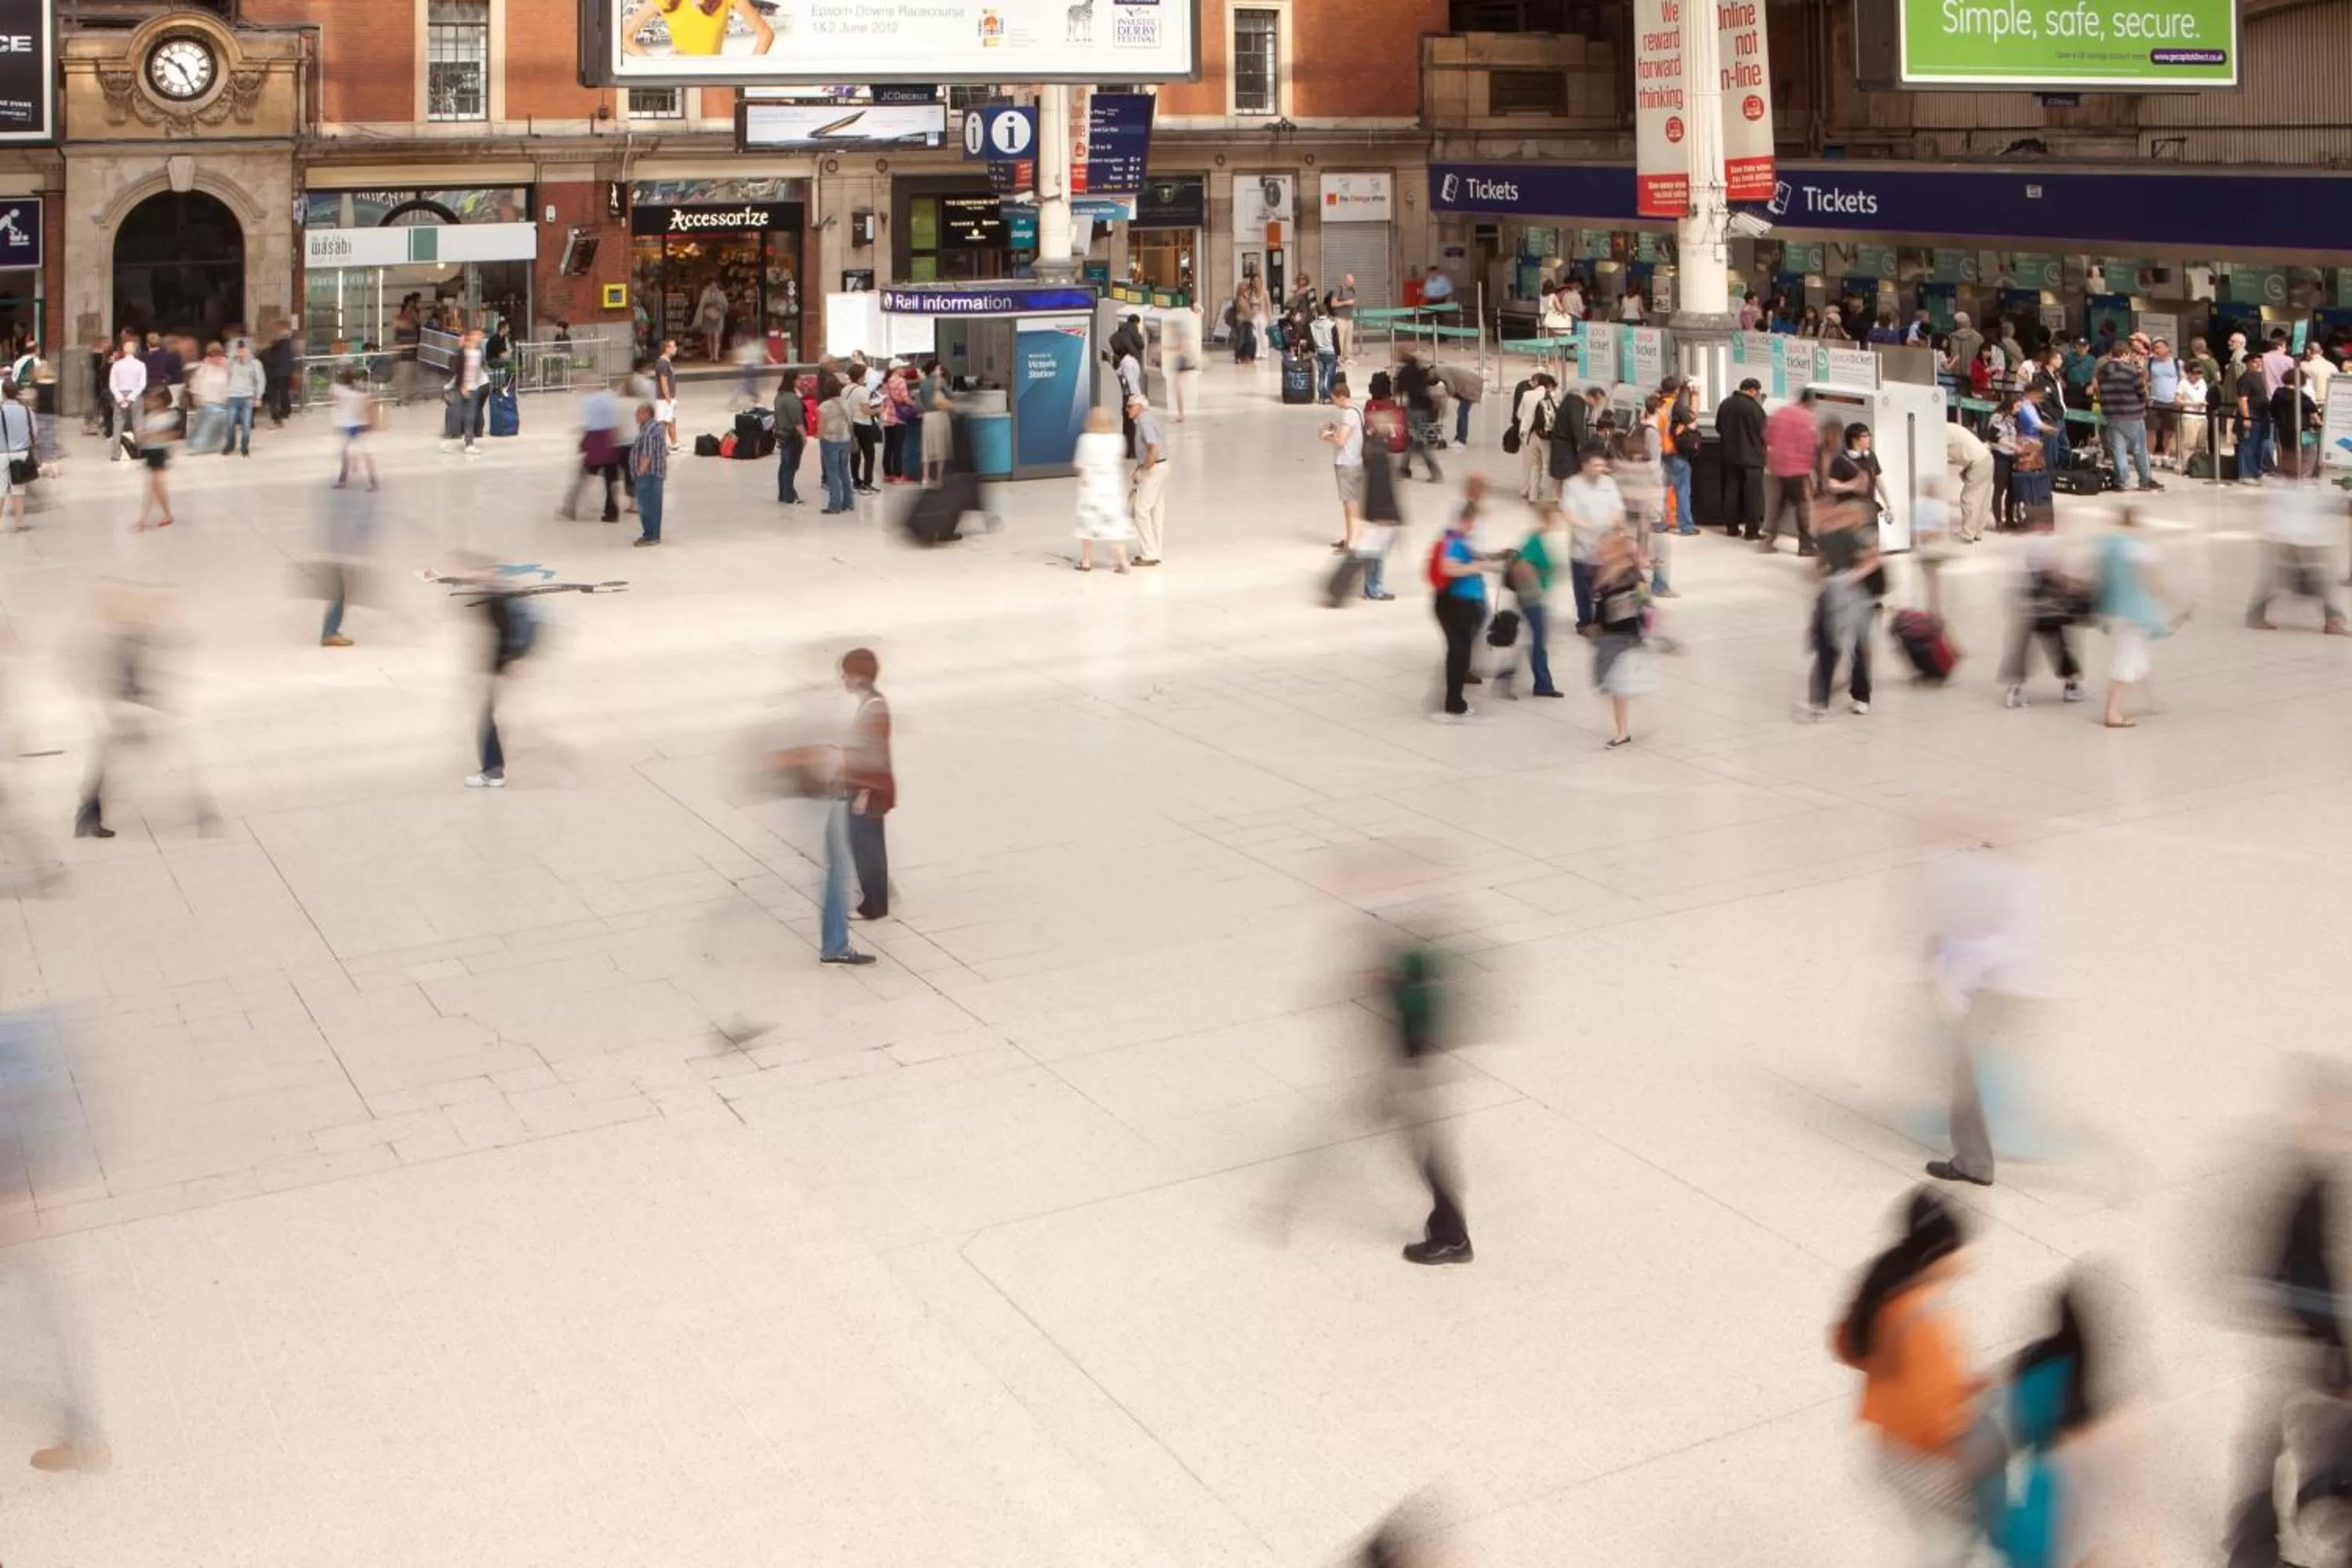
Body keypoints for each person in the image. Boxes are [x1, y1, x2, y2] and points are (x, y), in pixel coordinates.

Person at [1832, 1189, 2006, 1563]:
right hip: (1921, 1459)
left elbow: (1848, 1345)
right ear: (1938, 1253)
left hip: (1887, 1446)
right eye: (1961, 1249)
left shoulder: (1888, 1288)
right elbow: (1933, 1413)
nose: (1968, 1257)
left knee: (1935, 1542)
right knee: (1950, 1544)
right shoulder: (1925, 1316)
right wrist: (1963, 1455)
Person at [1800, 474, 1882, 720]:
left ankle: (1861, 696)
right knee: (1828, 645)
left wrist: (1851, 577)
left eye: (1817, 507)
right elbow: (1822, 560)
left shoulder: (1853, 523)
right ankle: (1820, 700)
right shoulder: (1822, 531)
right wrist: (1817, 578)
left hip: (1859, 595)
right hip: (1833, 593)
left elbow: (1873, 559)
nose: (1814, 513)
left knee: (1858, 646)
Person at [2094, 508, 2178, 729]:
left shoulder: (2109, 546)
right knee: (2126, 660)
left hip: (2115, 610)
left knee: (2139, 657)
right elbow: (2155, 581)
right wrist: (2176, 603)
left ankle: (2153, 701)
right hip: (2134, 614)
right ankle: (2112, 713)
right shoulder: (2138, 548)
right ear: (2136, 524)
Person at [2246, 475, 2348, 635]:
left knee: (2313, 578)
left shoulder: (2308, 487)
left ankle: (2332, 619)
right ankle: (2332, 620)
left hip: (2298, 542)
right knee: (2315, 579)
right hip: (2290, 543)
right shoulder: (2284, 489)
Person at [837, 648, 895, 926]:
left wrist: (863, 793)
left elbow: (873, 755)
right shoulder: (871, 704)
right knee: (869, 842)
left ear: (858, 677)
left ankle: (874, 904)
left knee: (865, 844)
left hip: (867, 790)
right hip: (865, 786)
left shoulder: (874, 709)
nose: (843, 679)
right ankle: (881, 891)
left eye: (846, 674)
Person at [1430, 493, 1489, 719]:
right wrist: (1475, 567)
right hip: (1458, 605)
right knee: (1459, 653)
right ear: (1467, 519)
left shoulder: (1458, 540)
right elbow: (1449, 568)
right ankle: (1454, 702)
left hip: (1459, 604)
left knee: (1459, 652)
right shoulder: (1455, 541)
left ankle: (1454, 699)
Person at [1493, 502, 1561, 699]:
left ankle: (1541, 683)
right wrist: (1535, 585)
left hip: (1531, 597)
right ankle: (1536, 683)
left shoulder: (1539, 538)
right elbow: (1522, 566)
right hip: (1531, 598)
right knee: (1534, 641)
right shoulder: (1535, 540)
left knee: (1532, 640)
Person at [1558, 442, 1624, 632]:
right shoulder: (1572, 485)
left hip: (1606, 548)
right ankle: (1585, 622)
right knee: (1583, 589)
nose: (1600, 469)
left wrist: (1617, 525)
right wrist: (1588, 527)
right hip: (1582, 548)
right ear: (1585, 465)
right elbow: (1569, 513)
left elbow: (1618, 508)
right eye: (1596, 465)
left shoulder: (1609, 483)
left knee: (1605, 587)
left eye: (1602, 465)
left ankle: (1603, 621)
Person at [1070, 405, 1136, 574]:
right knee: (1115, 526)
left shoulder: (1086, 440)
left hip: (1091, 488)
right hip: (1112, 487)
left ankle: (1086, 562)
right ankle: (1123, 561)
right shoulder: (1118, 439)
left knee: (1088, 525)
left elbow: (1079, 465)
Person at [1613, 416, 1671, 597]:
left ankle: (1645, 589)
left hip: (1634, 520)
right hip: (1638, 520)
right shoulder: (1649, 469)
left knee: (1647, 555)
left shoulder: (1620, 469)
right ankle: (1654, 588)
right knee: (1653, 553)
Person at [562, 377, 630, 522]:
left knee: (583, 475)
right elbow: (617, 423)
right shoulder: (612, 398)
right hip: (610, 441)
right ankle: (612, 512)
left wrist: (582, 443)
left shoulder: (589, 401)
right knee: (611, 480)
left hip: (594, 441)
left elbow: (586, 424)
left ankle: (570, 507)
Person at [2095, 337, 2158, 492]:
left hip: (2112, 415)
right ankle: (2145, 480)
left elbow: (2099, 392)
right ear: (2124, 354)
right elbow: (2142, 393)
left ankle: (2122, 481)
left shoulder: (2102, 372)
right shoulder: (2131, 371)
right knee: (2139, 450)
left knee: (2118, 450)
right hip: (2133, 415)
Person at [1714, 377, 1769, 543]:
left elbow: (1718, 427)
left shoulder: (1725, 404)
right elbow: (1765, 433)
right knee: (1753, 496)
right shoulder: (1755, 409)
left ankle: (1731, 527)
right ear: (1752, 390)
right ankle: (1752, 531)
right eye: (1757, 393)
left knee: (1731, 491)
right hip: (1752, 459)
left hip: (1729, 457)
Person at [1322, 373, 1367, 556]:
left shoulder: (1348, 414)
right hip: (1356, 461)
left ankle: (1352, 542)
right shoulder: (1358, 410)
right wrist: (1336, 429)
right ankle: (1351, 537)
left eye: (1334, 399)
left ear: (1341, 396)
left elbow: (1341, 441)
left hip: (1347, 463)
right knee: (1352, 504)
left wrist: (1326, 437)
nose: (1335, 403)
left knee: (1349, 506)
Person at [1127, 392, 1167, 568]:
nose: (1127, 409)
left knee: (1141, 509)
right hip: (1162, 466)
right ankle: (1155, 550)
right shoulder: (1149, 419)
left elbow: (1154, 446)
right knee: (1156, 510)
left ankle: (1149, 553)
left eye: (1130, 406)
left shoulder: (1144, 421)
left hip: (1154, 468)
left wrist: (1143, 469)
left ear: (1140, 407)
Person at [1944, 418, 1993, 546]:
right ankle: (1977, 532)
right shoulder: (1950, 427)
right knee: (1982, 499)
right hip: (1985, 457)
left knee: (1969, 498)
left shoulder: (1943, 432)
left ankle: (1967, 534)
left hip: (1978, 462)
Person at [1396, 351, 1442, 484]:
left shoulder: (1405, 371)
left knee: (1418, 441)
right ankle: (1404, 468)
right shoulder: (1419, 368)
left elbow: (1398, 389)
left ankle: (1435, 472)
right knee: (1412, 439)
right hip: (1426, 407)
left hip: (1415, 409)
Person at [134, 387, 176, 532]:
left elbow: (170, 435)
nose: (147, 403)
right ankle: (164, 514)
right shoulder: (150, 416)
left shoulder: (169, 416)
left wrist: (151, 435)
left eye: (150, 400)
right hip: (150, 452)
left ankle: (143, 518)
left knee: (154, 487)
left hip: (159, 453)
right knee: (155, 488)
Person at [328, 368, 377, 491]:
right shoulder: (360, 394)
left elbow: (333, 400)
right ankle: (372, 480)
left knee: (345, 452)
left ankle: (343, 480)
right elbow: (369, 403)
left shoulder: (339, 390)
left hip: (349, 425)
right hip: (360, 424)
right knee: (363, 452)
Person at [1662, 379, 1699, 536]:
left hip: (1660, 452)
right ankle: (1686, 526)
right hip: (1675, 451)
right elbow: (1692, 423)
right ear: (1676, 391)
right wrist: (1694, 395)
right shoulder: (1675, 406)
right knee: (1683, 490)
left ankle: (1662, 522)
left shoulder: (1656, 404)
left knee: (1664, 490)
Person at [1512, 372, 1555, 504]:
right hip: (1545, 436)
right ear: (1549, 385)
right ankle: (1550, 496)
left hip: (1528, 435)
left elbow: (1519, 415)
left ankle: (1532, 495)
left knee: (1534, 465)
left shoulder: (1527, 395)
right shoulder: (1551, 396)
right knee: (1548, 465)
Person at [628, 401, 666, 547]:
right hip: (652, 474)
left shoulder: (649, 430)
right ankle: (653, 534)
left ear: (646, 414)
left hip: (648, 475)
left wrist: (640, 471)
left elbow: (647, 453)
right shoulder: (650, 428)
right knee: (653, 505)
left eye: (638, 413)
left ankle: (650, 535)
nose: (636, 416)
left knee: (647, 506)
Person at [815, 368, 854, 514]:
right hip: (845, 439)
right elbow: (851, 421)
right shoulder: (846, 403)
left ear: (826, 390)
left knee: (832, 473)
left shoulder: (824, 406)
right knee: (844, 471)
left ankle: (835, 505)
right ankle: (848, 502)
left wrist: (818, 437)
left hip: (830, 441)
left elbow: (821, 427)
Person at [2271, 365, 2318, 482]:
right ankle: (2304, 476)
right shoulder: (2302, 397)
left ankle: (2289, 477)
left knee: (2287, 453)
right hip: (2304, 430)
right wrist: (2319, 423)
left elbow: (2272, 411)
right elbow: (2314, 414)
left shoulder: (2278, 393)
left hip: (2284, 430)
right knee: (2312, 450)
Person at [107, 334, 147, 463]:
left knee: (118, 424)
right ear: (135, 350)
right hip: (136, 396)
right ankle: (139, 451)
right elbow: (142, 384)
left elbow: (112, 384)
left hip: (120, 394)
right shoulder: (141, 365)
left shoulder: (117, 365)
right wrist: (131, 397)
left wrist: (120, 398)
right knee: (138, 424)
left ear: (123, 350)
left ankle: (116, 453)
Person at [771, 369, 808, 506]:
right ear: (793, 381)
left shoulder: (780, 396)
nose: (802, 381)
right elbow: (797, 421)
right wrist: (804, 436)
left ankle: (783, 494)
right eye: (799, 379)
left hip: (782, 434)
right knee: (791, 466)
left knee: (784, 465)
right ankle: (790, 496)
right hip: (792, 435)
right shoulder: (791, 399)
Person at [2238, 349, 2273, 483]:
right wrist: (2246, 418)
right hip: (2252, 415)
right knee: (2249, 445)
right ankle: (2246, 474)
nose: (2258, 364)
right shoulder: (2246, 379)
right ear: (2247, 364)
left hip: (2262, 415)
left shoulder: (2259, 377)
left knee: (2260, 445)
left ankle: (2257, 471)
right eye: (2254, 362)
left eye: (2259, 361)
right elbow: (2243, 399)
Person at [2146, 338, 2181, 471]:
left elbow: (2182, 380)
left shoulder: (2177, 363)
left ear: (2167, 348)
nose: (2157, 350)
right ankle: (2150, 455)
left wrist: (2179, 398)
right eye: (2155, 348)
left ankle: (2166, 456)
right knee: (2151, 430)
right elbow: (2145, 380)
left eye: (2159, 347)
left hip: (2171, 401)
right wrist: (2147, 395)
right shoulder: (2150, 363)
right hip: (2155, 400)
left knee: (2169, 431)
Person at [847, 359, 882, 492]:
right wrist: (879, 409)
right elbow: (866, 411)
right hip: (864, 424)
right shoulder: (862, 391)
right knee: (869, 454)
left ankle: (856, 481)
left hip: (851, 424)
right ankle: (867, 482)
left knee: (855, 454)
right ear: (861, 376)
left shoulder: (845, 389)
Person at [222, 339, 262, 458]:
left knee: (246, 425)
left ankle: (245, 447)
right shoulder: (232, 363)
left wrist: (258, 397)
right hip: (233, 396)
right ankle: (230, 445)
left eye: (244, 350)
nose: (241, 352)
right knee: (230, 423)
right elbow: (226, 376)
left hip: (247, 397)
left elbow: (260, 381)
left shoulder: (255, 364)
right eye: (239, 350)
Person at [1166, 300, 1202, 421]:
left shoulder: (1183, 322)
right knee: (1180, 387)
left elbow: (1181, 345)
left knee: (1179, 387)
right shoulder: (1187, 319)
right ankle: (1182, 412)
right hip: (1183, 358)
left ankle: (1181, 413)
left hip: (1182, 360)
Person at [1436, 361, 1484, 447]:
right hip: (1471, 385)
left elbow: (1451, 388)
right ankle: (1459, 438)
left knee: (1462, 412)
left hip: (1470, 387)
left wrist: (1444, 398)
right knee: (1462, 412)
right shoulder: (1442, 370)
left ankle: (1461, 440)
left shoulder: (1439, 372)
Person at [920, 390, 953, 489]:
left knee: (927, 448)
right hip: (940, 416)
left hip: (927, 416)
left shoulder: (924, 385)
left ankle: (925, 479)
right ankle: (939, 479)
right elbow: (951, 396)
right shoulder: (942, 384)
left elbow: (921, 401)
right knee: (940, 449)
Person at [1308, 306, 1338, 403]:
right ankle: (1329, 395)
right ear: (1327, 313)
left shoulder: (1312, 325)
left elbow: (1310, 340)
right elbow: (1336, 341)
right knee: (1331, 376)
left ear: (1317, 313)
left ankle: (1321, 397)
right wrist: (1338, 354)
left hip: (1320, 353)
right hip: (1331, 353)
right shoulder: (1332, 325)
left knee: (1321, 375)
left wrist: (1312, 350)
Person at [1329, 272, 1358, 363]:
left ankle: (1348, 357)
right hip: (1340, 318)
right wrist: (1346, 302)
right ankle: (1339, 358)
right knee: (1340, 339)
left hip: (1349, 317)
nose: (1352, 284)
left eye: (1353, 283)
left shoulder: (1352, 290)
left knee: (1349, 339)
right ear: (1346, 281)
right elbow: (1333, 304)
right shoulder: (1338, 290)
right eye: (1350, 282)